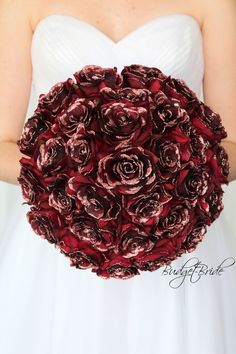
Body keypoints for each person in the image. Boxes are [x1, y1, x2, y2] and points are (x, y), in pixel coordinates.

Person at [0, 0, 236, 353]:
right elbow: (1, 144)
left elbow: (231, 142)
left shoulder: (215, 4)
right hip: (63, 235)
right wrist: (75, 182)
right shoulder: (18, 5)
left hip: (172, 232)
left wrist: (166, 179)